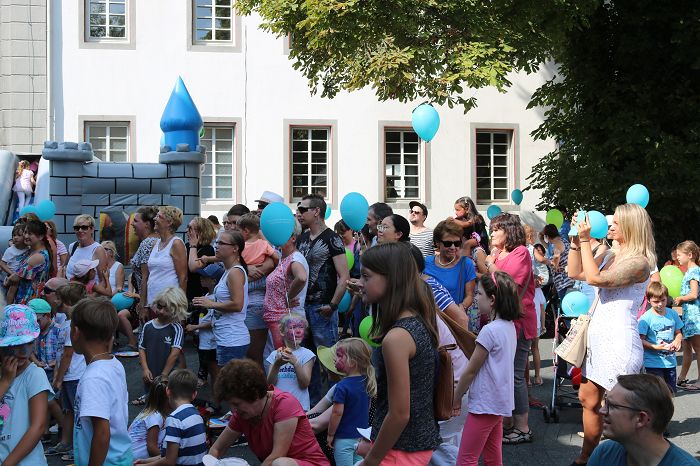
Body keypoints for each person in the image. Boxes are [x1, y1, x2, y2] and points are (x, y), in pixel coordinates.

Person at [567, 204, 656, 465]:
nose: (610, 225)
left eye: (616, 222)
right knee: (588, 399)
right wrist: (575, 240)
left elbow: (595, 280)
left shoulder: (640, 263)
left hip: (619, 342)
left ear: (630, 227)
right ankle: (586, 458)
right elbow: (576, 273)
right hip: (599, 341)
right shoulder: (609, 254)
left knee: (622, 412)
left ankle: (631, 459)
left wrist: (585, 239)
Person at [357, 242, 441, 466]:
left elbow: (399, 414)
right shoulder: (415, 320)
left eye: (366, 276)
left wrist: (372, 459)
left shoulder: (396, 338)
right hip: (411, 444)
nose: (360, 283)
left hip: (400, 450)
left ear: (391, 279)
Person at [452, 271, 519, 465]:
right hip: (498, 401)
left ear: (492, 300)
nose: (475, 298)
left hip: (485, 403)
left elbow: (471, 370)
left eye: (479, 294)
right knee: (492, 456)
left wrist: (456, 398)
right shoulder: (509, 326)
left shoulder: (489, 331)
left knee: (466, 459)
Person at [208, 359, 330, 466]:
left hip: (309, 463)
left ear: (254, 394)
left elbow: (277, 455)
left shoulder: (284, 404)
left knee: (280, 463)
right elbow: (217, 449)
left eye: (236, 404)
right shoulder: (242, 414)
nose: (233, 410)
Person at [483, 213, 536, 445]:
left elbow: (509, 284)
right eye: (491, 229)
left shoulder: (520, 252)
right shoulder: (500, 253)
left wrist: (490, 264)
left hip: (518, 322)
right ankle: (506, 422)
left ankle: (522, 427)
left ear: (509, 231)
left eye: (496, 229)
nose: (492, 233)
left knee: (514, 375)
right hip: (503, 322)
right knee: (502, 374)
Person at [296, 194, 350, 405]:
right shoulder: (301, 238)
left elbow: (344, 276)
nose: (299, 214)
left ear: (316, 211)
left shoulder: (331, 238)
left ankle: (337, 406)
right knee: (307, 359)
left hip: (322, 307)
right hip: (302, 307)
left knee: (330, 362)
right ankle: (314, 408)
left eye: (303, 210)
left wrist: (333, 305)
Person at [70, 297, 133, 465]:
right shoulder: (113, 363)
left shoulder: (94, 378)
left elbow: (102, 433)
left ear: (75, 332)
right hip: (119, 457)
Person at [587, 374, 700, 466]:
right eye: (605, 402)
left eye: (611, 405)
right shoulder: (604, 453)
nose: (602, 410)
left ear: (641, 418)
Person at [0, 304, 52, 466]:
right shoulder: (3, 376)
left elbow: (38, 426)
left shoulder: (35, 375)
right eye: (14, 345)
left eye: (28, 343)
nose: (22, 351)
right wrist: (6, 381)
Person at [192, 230, 249, 374]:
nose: (216, 246)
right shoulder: (228, 269)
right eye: (217, 242)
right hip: (225, 337)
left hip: (232, 339)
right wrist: (208, 259)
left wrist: (210, 304)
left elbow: (238, 304)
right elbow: (218, 258)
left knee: (231, 389)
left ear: (235, 248)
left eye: (221, 243)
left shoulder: (235, 272)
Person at [47, 282, 87, 461]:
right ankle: (66, 441)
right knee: (68, 411)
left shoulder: (74, 325)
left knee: (77, 412)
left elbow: (68, 354)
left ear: (69, 303)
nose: (55, 302)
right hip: (68, 375)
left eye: (59, 300)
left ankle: (78, 446)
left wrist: (59, 378)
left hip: (74, 375)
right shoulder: (65, 322)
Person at [135, 369, 207, 466]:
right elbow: (171, 455)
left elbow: (169, 461)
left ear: (168, 391)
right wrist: (145, 461)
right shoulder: (197, 415)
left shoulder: (174, 419)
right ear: (194, 395)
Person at [237, 212, 279, 366]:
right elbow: (277, 258)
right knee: (253, 356)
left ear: (246, 231)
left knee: (254, 356)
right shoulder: (263, 246)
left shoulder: (242, 247)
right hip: (247, 305)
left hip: (254, 305)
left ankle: (258, 388)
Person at [326, 338, 376, 466]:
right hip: (362, 439)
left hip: (344, 439)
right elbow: (368, 407)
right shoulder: (367, 382)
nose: (335, 360)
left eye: (339, 356)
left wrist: (331, 434)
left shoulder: (342, 386)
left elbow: (337, 413)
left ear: (352, 362)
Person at [136, 287, 188, 404]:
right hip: (151, 373)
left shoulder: (176, 328)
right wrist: (145, 369)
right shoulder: (148, 325)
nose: (161, 311)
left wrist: (164, 375)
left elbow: (175, 354)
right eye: (159, 306)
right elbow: (141, 348)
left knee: (168, 404)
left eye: (167, 309)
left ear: (176, 310)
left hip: (169, 376)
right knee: (151, 403)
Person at [120, 205, 160, 352]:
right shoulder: (156, 241)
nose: (132, 224)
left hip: (149, 300)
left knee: (148, 347)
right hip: (152, 298)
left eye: (136, 221)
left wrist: (143, 304)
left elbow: (146, 277)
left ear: (147, 225)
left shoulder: (147, 243)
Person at [264, 220, 309, 348]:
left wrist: (288, 297)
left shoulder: (295, 258)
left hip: (288, 319)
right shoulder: (284, 258)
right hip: (279, 320)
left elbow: (301, 277)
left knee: (286, 362)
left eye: (281, 233)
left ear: (293, 238)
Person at [423, 220, 477, 328]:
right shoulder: (426, 263)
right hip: (429, 320)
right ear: (438, 243)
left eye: (457, 243)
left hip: (453, 322)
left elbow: (469, 296)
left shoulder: (466, 264)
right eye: (448, 243)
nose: (453, 247)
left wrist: (461, 307)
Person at [639, 281, 683, 394]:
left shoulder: (672, 314)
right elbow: (640, 340)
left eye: (663, 300)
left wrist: (677, 340)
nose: (660, 304)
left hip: (670, 362)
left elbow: (678, 332)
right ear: (648, 300)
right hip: (652, 363)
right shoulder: (646, 318)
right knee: (658, 393)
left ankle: (667, 411)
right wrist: (655, 347)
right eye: (656, 301)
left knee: (671, 393)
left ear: (667, 298)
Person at [266, 314, 316, 410]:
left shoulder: (307, 354)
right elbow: (270, 384)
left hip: (299, 406)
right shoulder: (274, 354)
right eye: (292, 327)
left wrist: (296, 363)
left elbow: (304, 384)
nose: (298, 331)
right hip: (277, 406)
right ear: (281, 331)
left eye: (301, 327)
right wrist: (277, 364)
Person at [142, 206, 188, 310]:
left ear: (169, 222)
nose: (154, 219)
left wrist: (181, 307)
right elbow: (147, 276)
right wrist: (144, 305)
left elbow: (183, 278)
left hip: (169, 304)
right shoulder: (155, 243)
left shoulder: (176, 243)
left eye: (159, 216)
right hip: (152, 302)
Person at [674, 240, 700, 390]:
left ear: (689, 255)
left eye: (679, 255)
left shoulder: (694, 271)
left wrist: (681, 298)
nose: (677, 258)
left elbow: (694, 294)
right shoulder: (690, 272)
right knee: (687, 347)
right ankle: (681, 378)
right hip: (689, 316)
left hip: (695, 316)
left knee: (698, 349)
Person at [6, 220, 52, 304]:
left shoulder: (38, 257)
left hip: (28, 301)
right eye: (25, 232)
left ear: (41, 236)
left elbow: (15, 278)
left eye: (30, 234)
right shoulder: (30, 250)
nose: (26, 236)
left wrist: (7, 281)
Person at [129, 376, 170, 460]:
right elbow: (151, 448)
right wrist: (168, 459)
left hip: (127, 454)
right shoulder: (156, 417)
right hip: (134, 460)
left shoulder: (148, 410)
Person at [64, 215, 107, 284]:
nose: (80, 230)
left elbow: (103, 281)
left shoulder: (98, 250)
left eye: (84, 227)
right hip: (69, 292)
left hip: (88, 293)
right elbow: (64, 267)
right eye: (77, 228)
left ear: (92, 229)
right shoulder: (73, 246)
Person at [540, 224, 575, 300]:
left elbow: (556, 257)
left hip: (564, 281)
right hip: (569, 279)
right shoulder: (562, 240)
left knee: (569, 307)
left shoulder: (557, 244)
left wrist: (554, 265)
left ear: (548, 237)